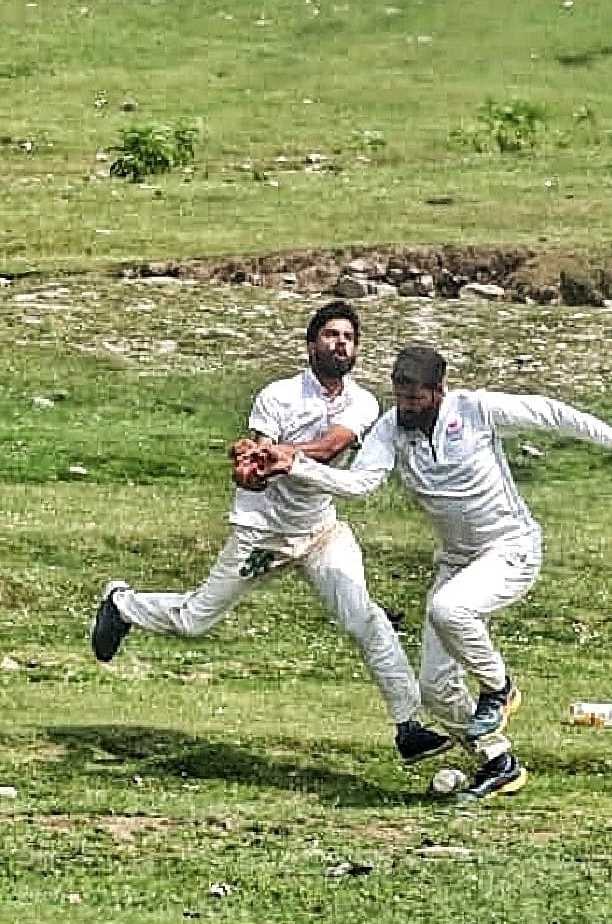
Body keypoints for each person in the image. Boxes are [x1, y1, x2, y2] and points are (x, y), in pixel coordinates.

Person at [255, 344, 612, 801]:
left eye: (416, 397)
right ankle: (499, 762)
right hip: (457, 560)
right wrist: (295, 465)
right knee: (435, 690)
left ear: (439, 390)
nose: (407, 406)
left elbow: (548, 413)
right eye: (400, 395)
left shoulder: (474, 409)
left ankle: (501, 687)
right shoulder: (392, 428)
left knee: (449, 608)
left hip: (509, 548)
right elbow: (360, 483)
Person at [90, 303, 452, 766]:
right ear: (310, 345)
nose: (340, 343)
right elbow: (249, 473)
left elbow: (332, 446)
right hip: (263, 533)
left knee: (367, 620)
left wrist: (280, 455)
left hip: (321, 531)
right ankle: (122, 605)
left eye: (348, 337)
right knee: (194, 620)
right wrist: (252, 468)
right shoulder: (277, 396)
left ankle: (409, 727)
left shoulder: (363, 402)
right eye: (330, 335)